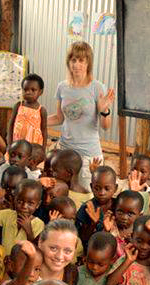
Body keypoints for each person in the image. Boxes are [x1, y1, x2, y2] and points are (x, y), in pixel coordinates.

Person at [47, 41, 115, 189]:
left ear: (88, 63)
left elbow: (106, 127)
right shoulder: (62, 87)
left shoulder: (97, 87)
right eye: (73, 60)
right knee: (61, 191)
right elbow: (59, 118)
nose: (76, 65)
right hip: (65, 151)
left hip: (88, 155)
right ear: (68, 62)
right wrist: (34, 118)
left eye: (81, 60)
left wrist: (104, 111)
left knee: (86, 194)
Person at [0, 179, 45, 252]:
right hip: (3, 258)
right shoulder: (7, 215)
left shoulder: (39, 224)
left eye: (30, 203)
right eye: (19, 201)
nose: (24, 206)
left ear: (38, 204)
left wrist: (29, 231)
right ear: (14, 199)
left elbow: (35, 249)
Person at [76, 166, 118, 250]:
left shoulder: (118, 206)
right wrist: (93, 223)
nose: (102, 193)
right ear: (91, 187)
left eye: (107, 189)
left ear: (115, 188)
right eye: (97, 188)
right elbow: (82, 238)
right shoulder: (86, 208)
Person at [36, 219, 80, 285]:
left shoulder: (72, 274)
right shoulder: (24, 269)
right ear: (40, 243)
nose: (59, 256)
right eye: (53, 248)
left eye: (67, 251)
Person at [9, 73, 48, 147]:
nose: (28, 92)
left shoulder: (41, 110)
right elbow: (11, 125)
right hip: (17, 145)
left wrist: (43, 149)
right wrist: (9, 144)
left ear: (40, 92)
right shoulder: (18, 106)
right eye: (25, 89)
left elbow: (44, 131)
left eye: (33, 90)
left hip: (34, 146)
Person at [109, 190, 144, 256]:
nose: (124, 217)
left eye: (130, 214)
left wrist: (133, 243)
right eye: (120, 212)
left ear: (140, 215)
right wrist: (107, 230)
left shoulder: (140, 231)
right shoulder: (110, 225)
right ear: (114, 210)